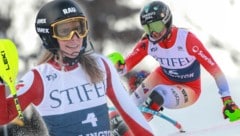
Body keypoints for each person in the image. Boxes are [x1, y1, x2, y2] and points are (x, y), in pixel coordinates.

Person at [0, 0, 154, 136]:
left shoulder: (101, 65)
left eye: (79, 28)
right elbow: (4, 117)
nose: (74, 37)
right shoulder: (38, 78)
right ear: (49, 36)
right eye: (64, 31)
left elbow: (130, 112)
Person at [108, 0, 240, 133]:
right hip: (162, 76)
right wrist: (116, 66)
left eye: (157, 26)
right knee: (129, 103)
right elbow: (124, 67)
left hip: (189, 88)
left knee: (159, 93)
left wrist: (227, 100)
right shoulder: (148, 42)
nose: (154, 33)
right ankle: (108, 126)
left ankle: (130, 129)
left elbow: (215, 70)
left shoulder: (187, 40)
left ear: (167, 22)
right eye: (148, 28)